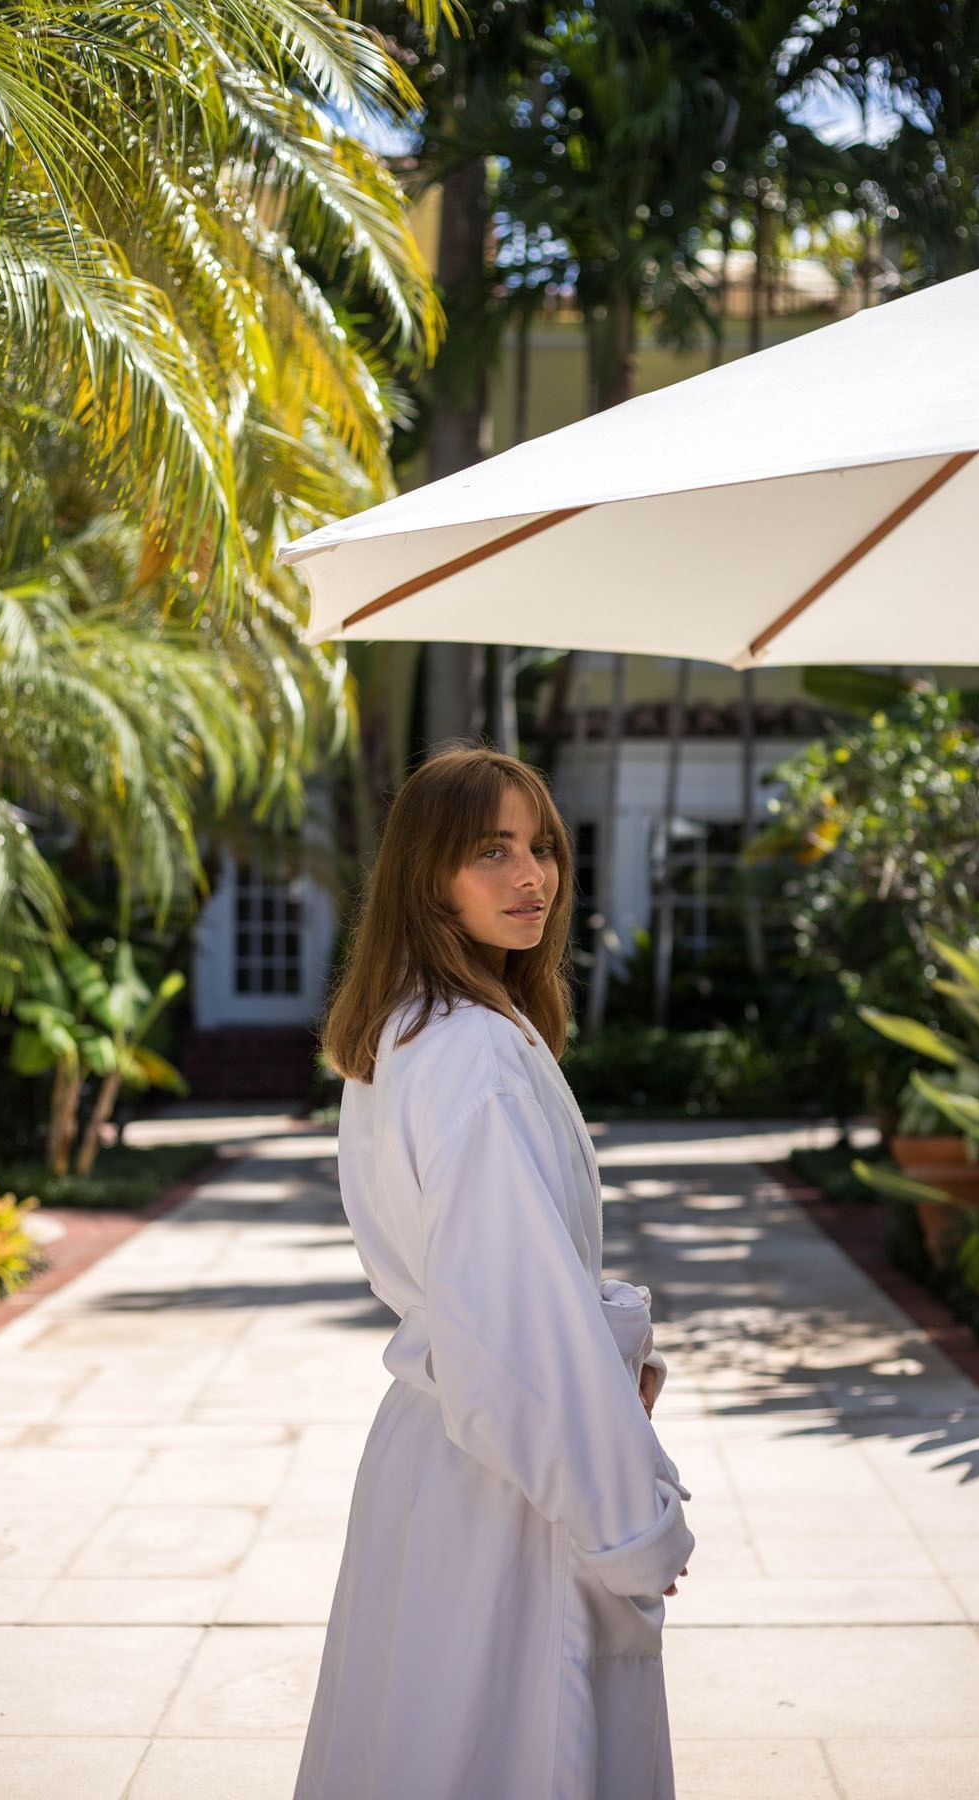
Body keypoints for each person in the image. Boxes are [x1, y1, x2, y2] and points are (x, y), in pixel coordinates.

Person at [292, 744, 695, 1800]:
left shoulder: (415, 1032)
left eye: (544, 847)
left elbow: (506, 1302)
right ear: (427, 875)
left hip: (449, 1457)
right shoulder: (468, 1052)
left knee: (423, 1739)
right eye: (491, 851)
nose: (533, 877)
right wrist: (631, 1529)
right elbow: (516, 1331)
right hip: (507, 1477)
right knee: (507, 1749)